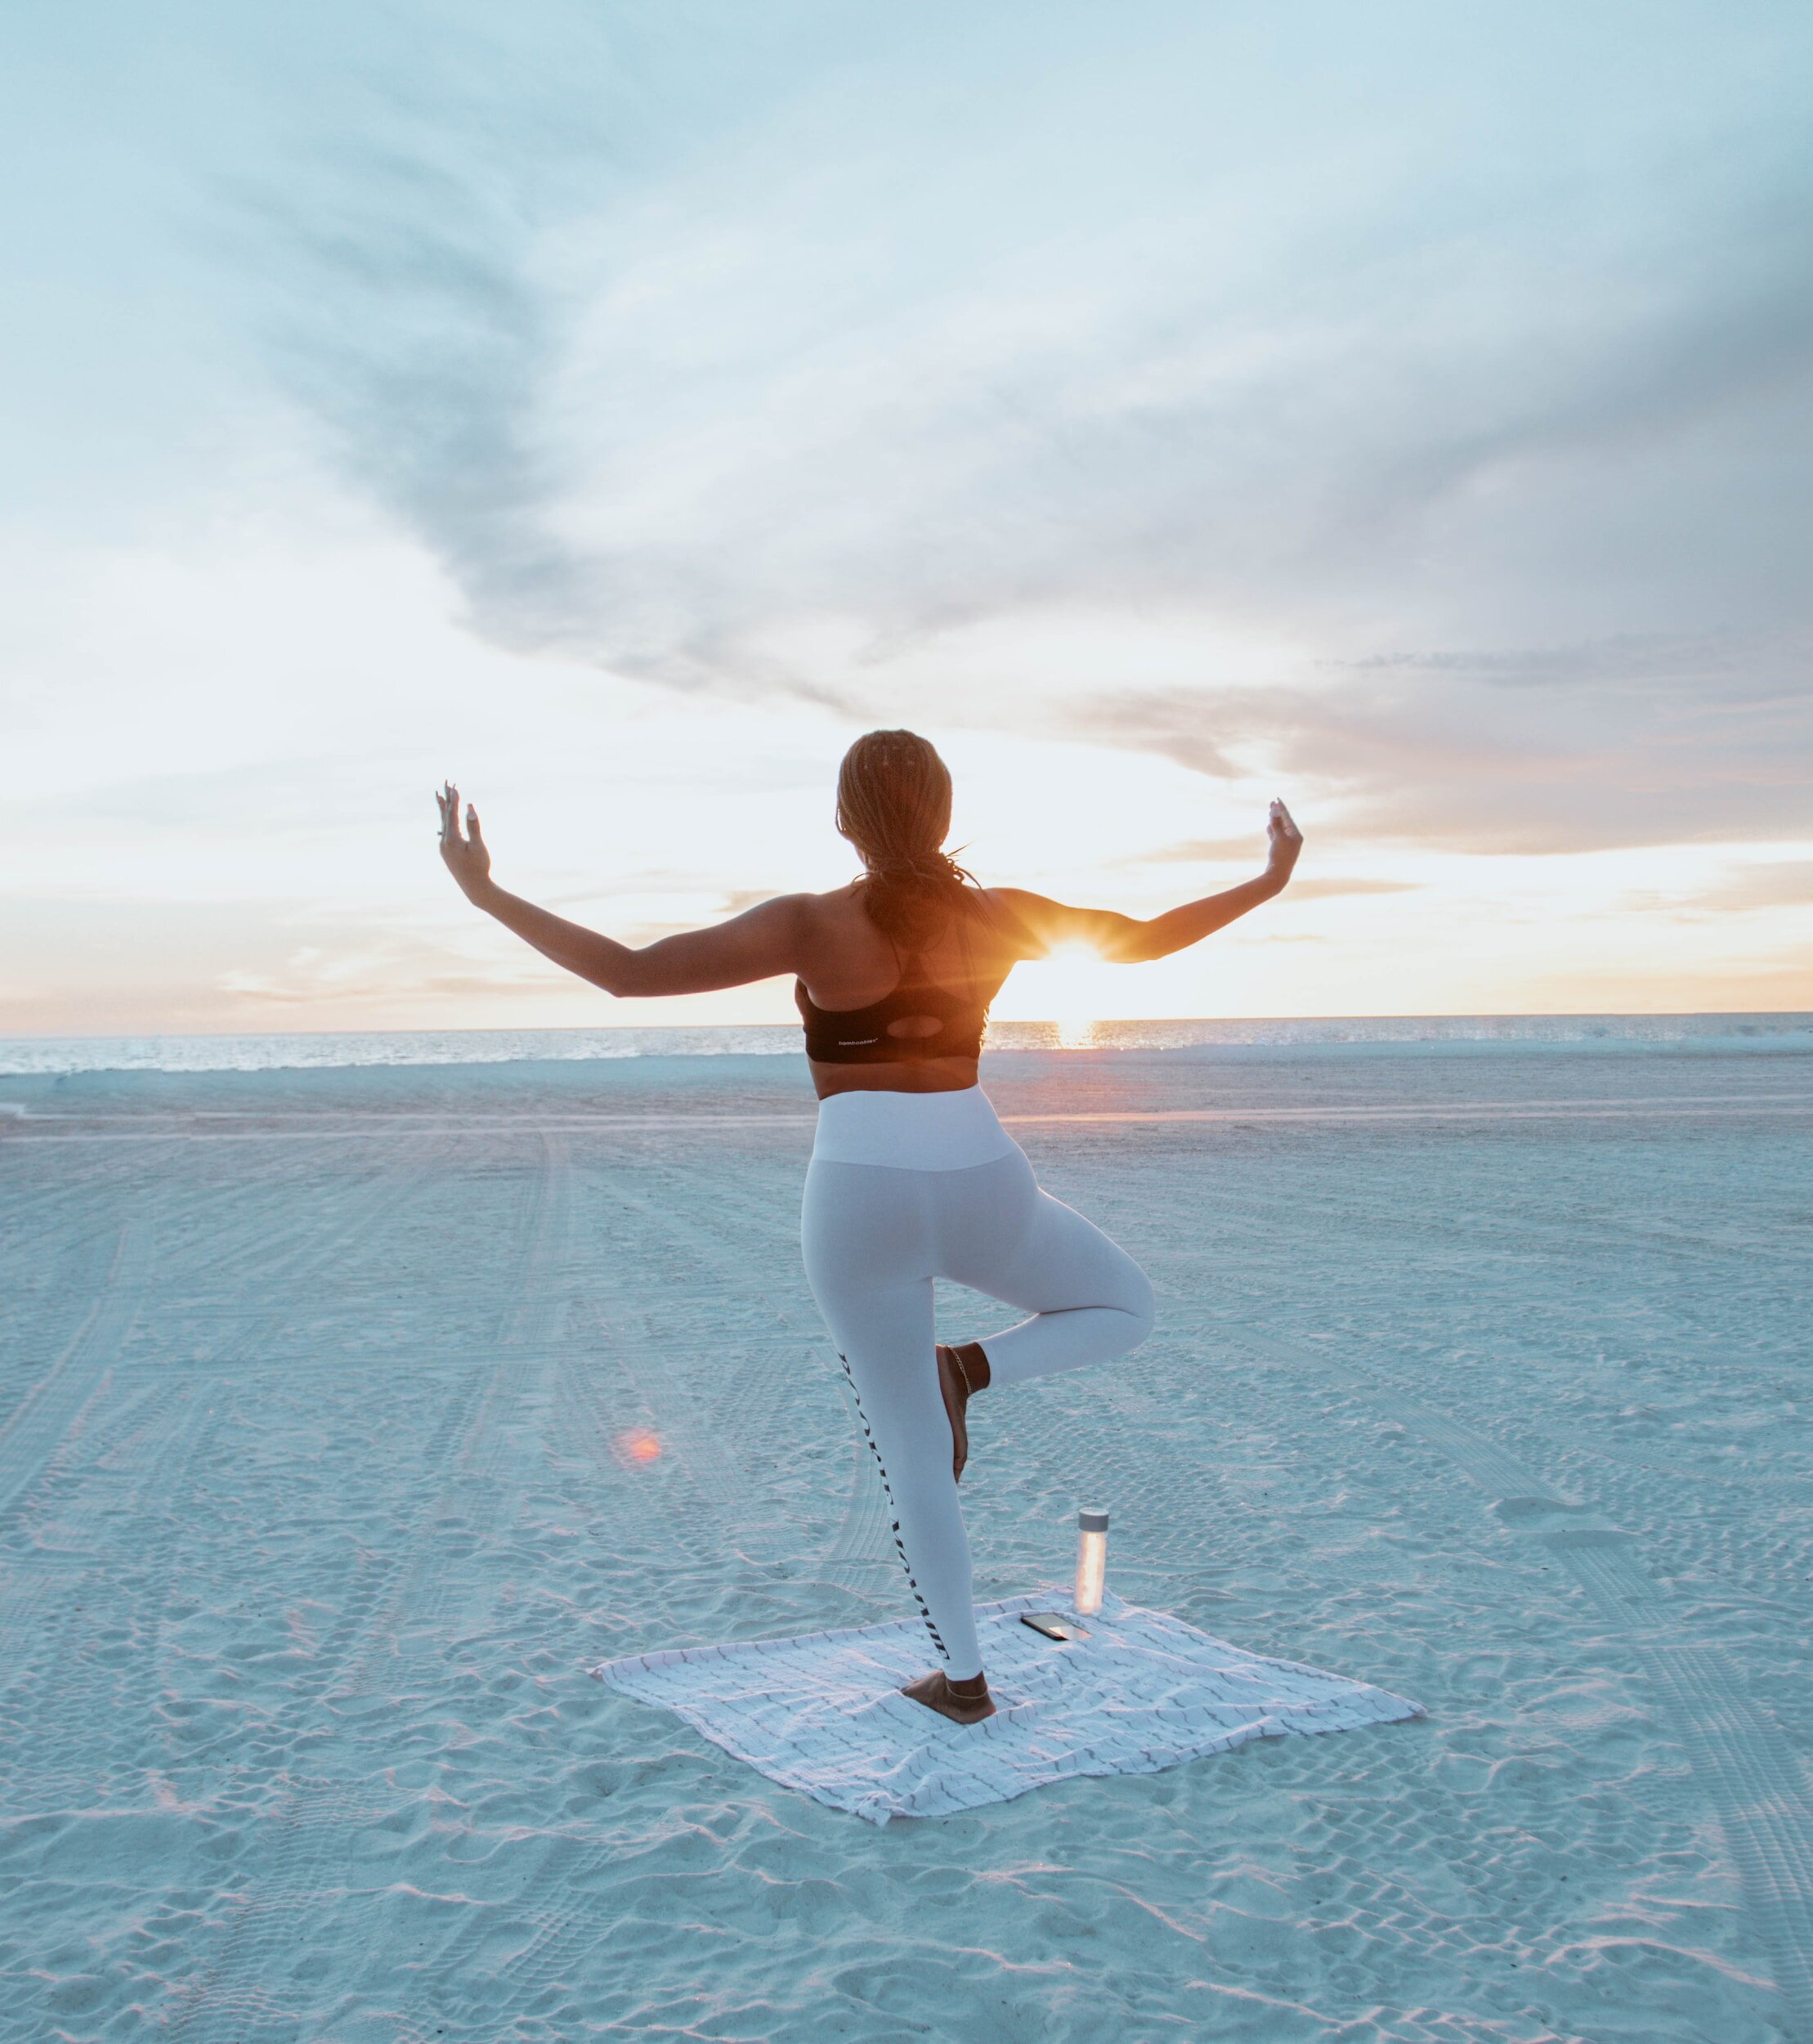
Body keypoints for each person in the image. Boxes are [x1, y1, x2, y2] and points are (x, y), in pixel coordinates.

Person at [436, 730, 1302, 1724]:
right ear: (940, 813)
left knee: (912, 1452)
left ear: (846, 821)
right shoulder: (1001, 915)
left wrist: (485, 893)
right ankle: (971, 1368)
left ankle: (965, 1680)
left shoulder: (810, 923)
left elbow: (629, 973)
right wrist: (1266, 882)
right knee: (1124, 1306)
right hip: (983, 1176)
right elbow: (1145, 936)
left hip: (858, 1194)